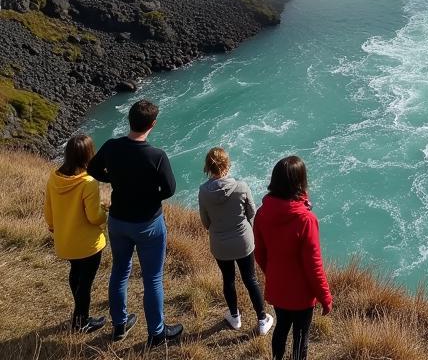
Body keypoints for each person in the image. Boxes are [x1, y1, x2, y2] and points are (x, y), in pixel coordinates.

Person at [88, 99, 184, 347]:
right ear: (153, 124)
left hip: (119, 221)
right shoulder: (156, 156)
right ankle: (157, 333)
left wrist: (114, 180)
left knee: (120, 271)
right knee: (152, 277)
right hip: (148, 224)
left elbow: (93, 169)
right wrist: (149, 195)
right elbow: (170, 189)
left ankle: (119, 325)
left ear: (129, 120)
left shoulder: (111, 147)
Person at [253, 156, 332, 360]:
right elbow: (314, 266)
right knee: (300, 335)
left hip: (278, 287)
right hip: (301, 295)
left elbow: (260, 253)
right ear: (300, 182)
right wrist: (325, 298)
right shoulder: (306, 220)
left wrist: (272, 273)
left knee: (281, 328)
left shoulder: (262, 213)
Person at [197, 147, 273, 335]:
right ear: (227, 165)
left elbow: (206, 222)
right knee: (250, 279)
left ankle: (234, 317)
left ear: (208, 167)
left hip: (220, 244)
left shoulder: (203, 192)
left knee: (228, 279)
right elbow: (252, 213)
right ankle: (262, 320)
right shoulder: (241, 187)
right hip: (243, 242)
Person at [44, 133, 108, 332]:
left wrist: (54, 227)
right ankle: (81, 322)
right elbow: (93, 217)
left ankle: (81, 315)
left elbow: (49, 210)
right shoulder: (88, 182)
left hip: (66, 241)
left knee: (76, 274)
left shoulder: (54, 178)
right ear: (89, 155)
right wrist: (104, 211)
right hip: (87, 244)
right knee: (85, 283)